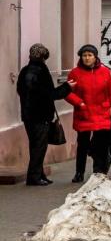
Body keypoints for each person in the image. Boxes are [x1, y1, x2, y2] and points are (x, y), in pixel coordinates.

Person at [15, 44, 75, 186]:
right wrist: (67, 87)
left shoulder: (24, 71)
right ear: (43, 57)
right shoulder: (41, 71)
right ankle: (34, 178)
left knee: (35, 146)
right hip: (40, 116)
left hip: (28, 116)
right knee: (39, 147)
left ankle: (39, 175)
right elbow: (50, 94)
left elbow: (20, 91)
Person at [66, 45, 111, 182]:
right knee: (83, 145)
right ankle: (79, 172)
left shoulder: (105, 72)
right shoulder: (75, 73)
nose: (87, 58)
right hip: (84, 114)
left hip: (101, 113)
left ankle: (99, 171)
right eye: (84, 55)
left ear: (95, 56)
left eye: (90, 55)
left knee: (101, 145)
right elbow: (67, 92)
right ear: (81, 57)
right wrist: (79, 103)